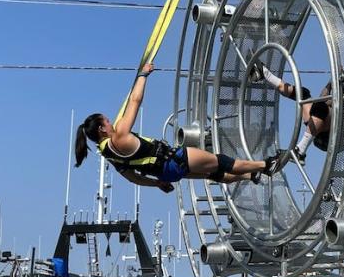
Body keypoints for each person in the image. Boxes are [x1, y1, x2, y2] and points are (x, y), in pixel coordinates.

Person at [74, 64, 277, 189]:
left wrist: (157, 183)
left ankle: (251, 175)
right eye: (107, 121)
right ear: (102, 129)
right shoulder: (118, 138)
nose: (111, 122)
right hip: (174, 159)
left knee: (215, 174)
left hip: (166, 174)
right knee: (222, 162)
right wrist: (143, 76)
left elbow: (133, 179)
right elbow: (134, 101)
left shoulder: (108, 155)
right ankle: (266, 165)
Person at [250, 62, 332, 162]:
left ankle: (300, 152)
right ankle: (265, 73)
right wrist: (331, 82)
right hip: (320, 123)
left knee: (320, 106)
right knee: (303, 94)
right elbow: (323, 98)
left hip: (330, 135)